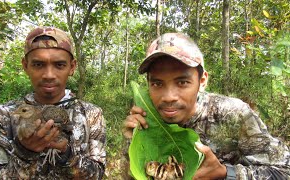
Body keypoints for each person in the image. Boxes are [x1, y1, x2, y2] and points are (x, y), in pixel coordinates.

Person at [123, 33, 290, 179]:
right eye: (158, 84)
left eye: (182, 82)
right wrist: (136, 146)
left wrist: (225, 173)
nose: (168, 97)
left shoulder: (232, 114)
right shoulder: (145, 118)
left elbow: (284, 172)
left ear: (202, 81)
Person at [0, 27, 106, 179]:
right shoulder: (3, 116)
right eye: (38, 64)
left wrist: (66, 155)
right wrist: (25, 153)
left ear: (72, 67)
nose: (49, 75)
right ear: (25, 66)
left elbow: (97, 175)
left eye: (59, 65)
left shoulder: (91, 114)